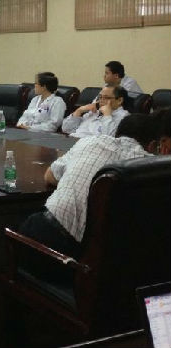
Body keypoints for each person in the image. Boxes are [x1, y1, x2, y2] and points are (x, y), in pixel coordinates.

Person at [18, 113, 165, 280]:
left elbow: (49, 176)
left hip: (59, 253)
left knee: (24, 224)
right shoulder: (152, 169)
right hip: (107, 267)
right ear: (153, 145)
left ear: (117, 133)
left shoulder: (89, 142)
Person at [62, 85, 129, 138]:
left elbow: (107, 139)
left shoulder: (124, 117)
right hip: (72, 142)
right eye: (100, 97)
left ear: (119, 100)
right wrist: (79, 111)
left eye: (106, 97)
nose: (101, 101)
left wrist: (107, 115)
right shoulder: (95, 111)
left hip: (91, 148)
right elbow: (66, 129)